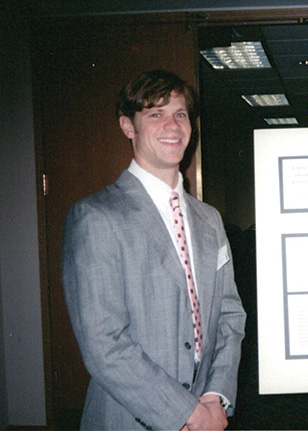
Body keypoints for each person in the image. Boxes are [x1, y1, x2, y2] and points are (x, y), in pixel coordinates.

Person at [62, 70, 246, 431]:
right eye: (155, 114)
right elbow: (104, 344)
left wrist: (214, 396)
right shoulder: (96, 216)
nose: (172, 125)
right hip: (129, 417)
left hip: (207, 412)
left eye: (180, 114)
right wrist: (188, 414)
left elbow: (229, 315)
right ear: (128, 126)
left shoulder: (209, 219)